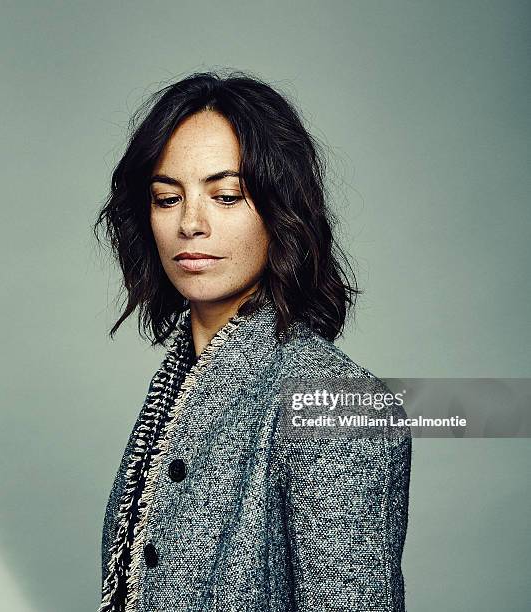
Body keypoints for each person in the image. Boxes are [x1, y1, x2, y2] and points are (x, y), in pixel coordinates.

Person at [93, 70, 412, 612]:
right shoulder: (175, 394)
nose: (191, 223)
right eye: (167, 198)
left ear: (280, 210)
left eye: (226, 196)